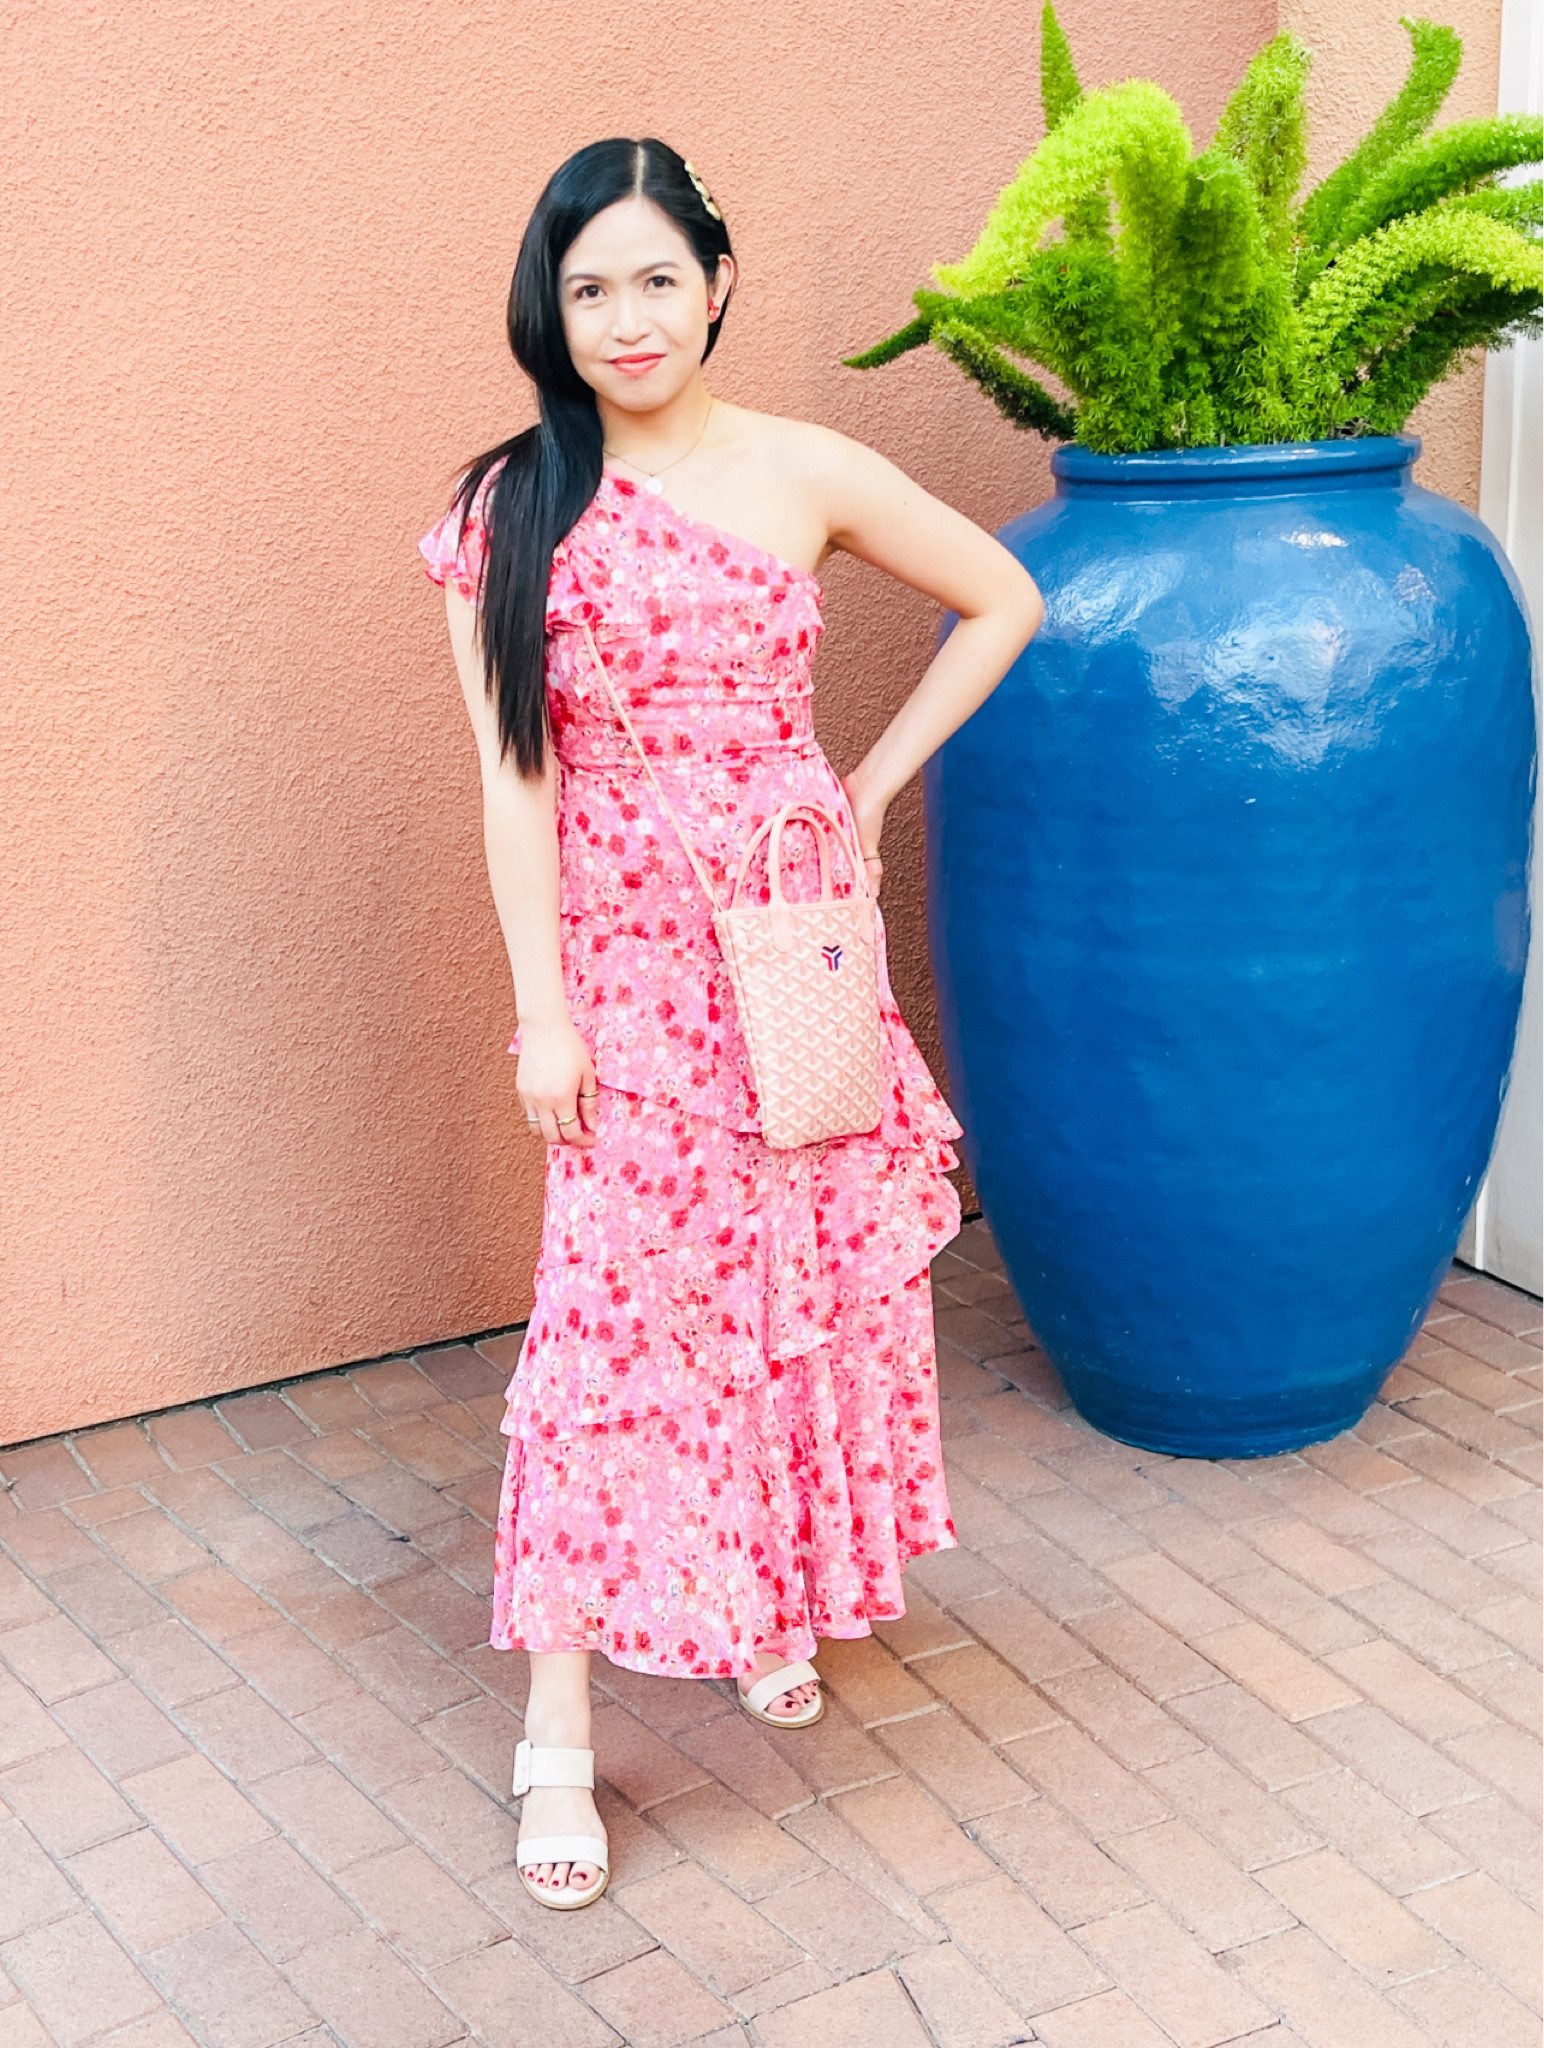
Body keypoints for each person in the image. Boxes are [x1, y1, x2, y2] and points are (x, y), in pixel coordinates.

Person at [420, 136, 1043, 1911]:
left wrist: (865, 787)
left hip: (787, 951)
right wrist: (544, 1017)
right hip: (621, 982)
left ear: (718, 283)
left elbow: (1003, 597)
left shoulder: (804, 466)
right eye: (588, 286)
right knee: (610, 1331)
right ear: (552, 302)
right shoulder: (508, 508)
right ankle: (559, 1728)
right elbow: (511, 784)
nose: (624, 318)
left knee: (787, 1293)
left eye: (656, 280)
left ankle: (769, 1598)